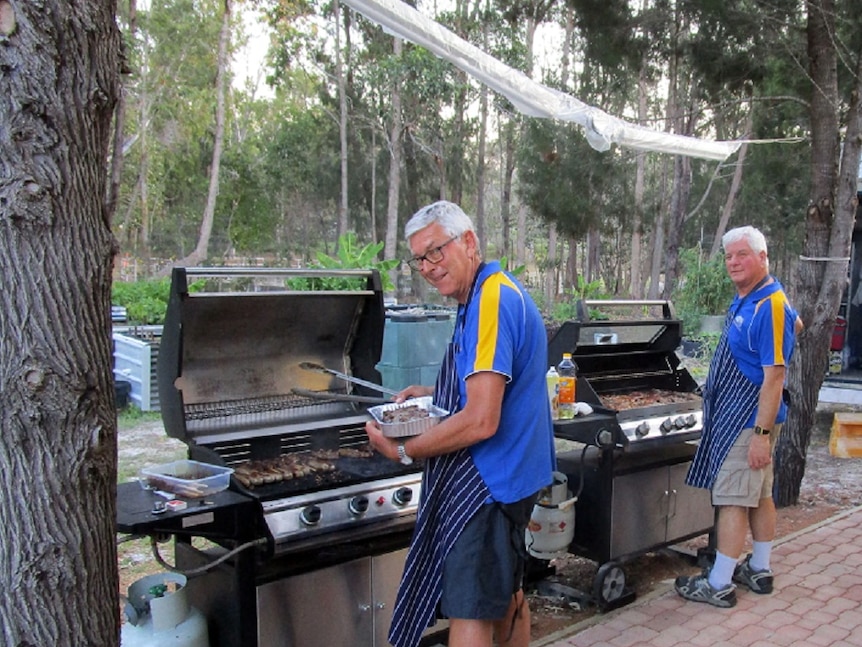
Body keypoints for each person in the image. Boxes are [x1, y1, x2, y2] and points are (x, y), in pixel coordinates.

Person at [365, 200, 556, 647]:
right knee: (507, 592)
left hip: (492, 482)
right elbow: (489, 384)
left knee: (470, 609)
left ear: (468, 242)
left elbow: (481, 420)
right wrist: (431, 395)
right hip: (515, 474)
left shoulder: (490, 300)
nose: (428, 267)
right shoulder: (482, 294)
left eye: (436, 251)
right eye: (419, 258)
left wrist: (404, 450)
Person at [675, 225, 803, 608]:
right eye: (729, 256)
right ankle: (758, 570)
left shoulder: (770, 305)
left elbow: (776, 375)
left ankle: (718, 584)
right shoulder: (754, 297)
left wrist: (761, 434)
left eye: (742, 254)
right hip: (740, 417)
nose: (733, 262)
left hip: (748, 420)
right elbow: (796, 324)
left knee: (732, 499)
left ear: (762, 257)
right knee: (760, 495)